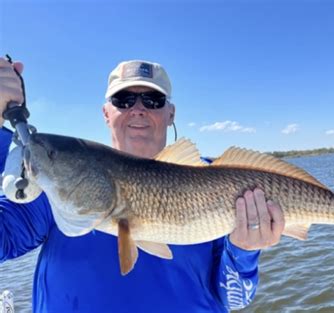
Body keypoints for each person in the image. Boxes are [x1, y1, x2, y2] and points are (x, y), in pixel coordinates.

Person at [0, 58, 285, 313]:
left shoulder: (218, 182)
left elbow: (235, 299)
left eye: (152, 100)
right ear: (106, 113)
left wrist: (244, 252)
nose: (137, 109)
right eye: (123, 99)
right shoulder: (59, 181)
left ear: (170, 113)